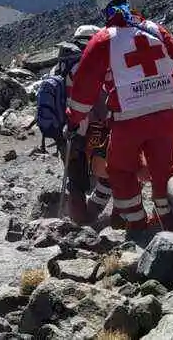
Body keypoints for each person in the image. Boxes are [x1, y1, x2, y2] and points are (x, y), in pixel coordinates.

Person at [66, 0, 173, 231]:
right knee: (163, 170)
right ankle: (169, 223)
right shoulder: (156, 30)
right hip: (166, 113)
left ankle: (137, 224)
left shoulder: (104, 39)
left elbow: (85, 87)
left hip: (128, 117)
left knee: (120, 170)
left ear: (103, 12)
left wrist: (74, 118)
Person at [53, 25, 112, 223]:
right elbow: (101, 101)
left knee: (75, 180)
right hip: (92, 129)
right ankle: (92, 214)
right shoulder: (88, 65)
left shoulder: (60, 66)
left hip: (65, 130)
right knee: (109, 173)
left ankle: (77, 220)